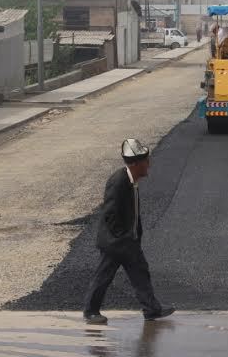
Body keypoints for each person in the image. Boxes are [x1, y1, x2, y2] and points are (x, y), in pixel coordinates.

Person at [83, 139, 175, 325]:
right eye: (146, 161)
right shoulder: (118, 181)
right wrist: (122, 237)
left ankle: (152, 310)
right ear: (135, 164)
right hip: (115, 243)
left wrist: (134, 236)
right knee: (103, 276)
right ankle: (91, 312)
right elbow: (110, 214)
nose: (149, 164)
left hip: (128, 242)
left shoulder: (132, 181)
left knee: (140, 273)